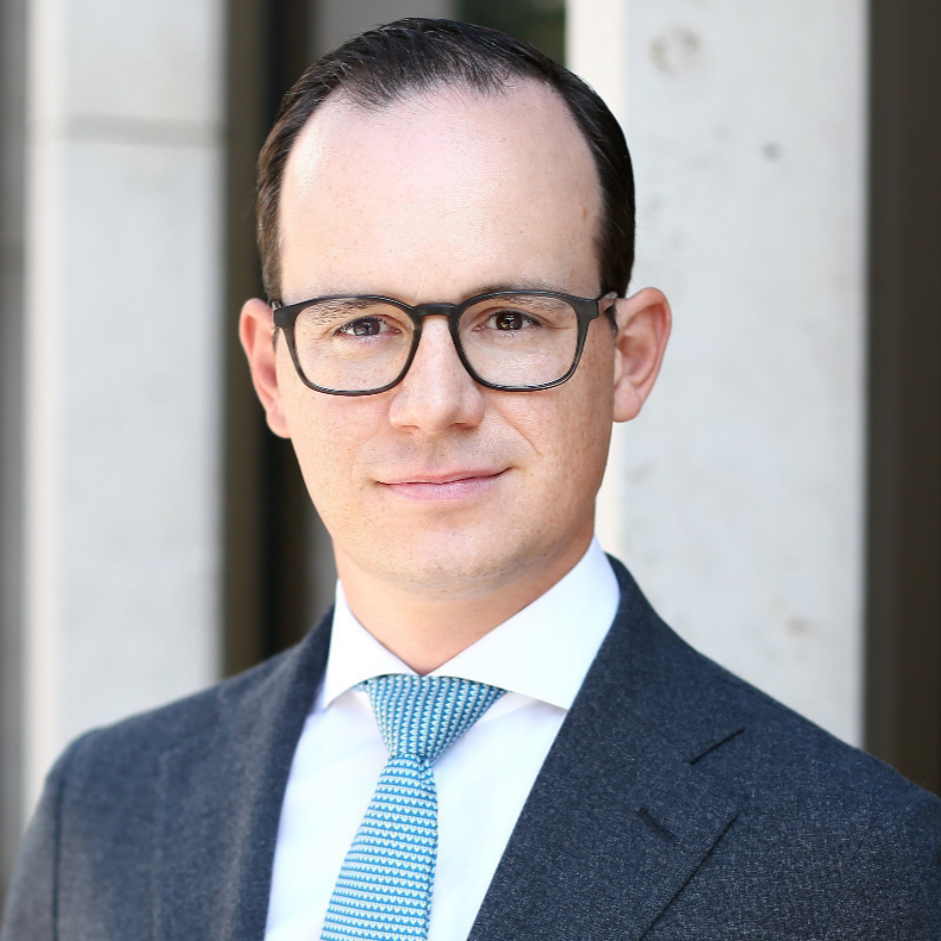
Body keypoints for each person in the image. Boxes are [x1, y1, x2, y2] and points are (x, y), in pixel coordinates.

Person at [3, 17, 940, 941]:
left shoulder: (862, 864)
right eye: (362, 324)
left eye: (509, 320)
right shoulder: (104, 812)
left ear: (631, 356)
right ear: (272, 371)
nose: (434, 404)